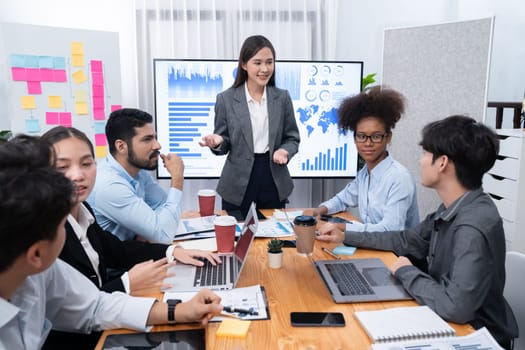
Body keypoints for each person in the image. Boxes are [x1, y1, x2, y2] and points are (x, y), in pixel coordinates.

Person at [0, 135, 223, 350]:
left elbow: (95, 306)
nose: (77, 176)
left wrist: (181, 310)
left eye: (87, 163)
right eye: (62, 225)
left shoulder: (38, 268)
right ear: (36, 254)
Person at [317, 115, 518, 348]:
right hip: (448, 323)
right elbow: (406, 239)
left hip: (474, 336)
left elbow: (457, 307)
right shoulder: (453, 208)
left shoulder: (472, 226)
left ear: (442, 163)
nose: (421, 161)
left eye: (425, 154)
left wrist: (406, 271)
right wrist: (346, 235)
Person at [199, 35, 300, 216]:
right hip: (237, 183)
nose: (265, 69)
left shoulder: (282, 98)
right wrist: (218, 141)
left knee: (274, 241)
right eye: (258, 63)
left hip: (273, 179)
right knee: (236, 240)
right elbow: (224, 142)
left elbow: (292, 138)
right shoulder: (226, 99)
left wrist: (285, 151)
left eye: (269, 62)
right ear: (244, 65)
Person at [306, 86, 419, 232]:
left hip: (396, 253)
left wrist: (339, 227)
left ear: (388, 138)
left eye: (376, 136)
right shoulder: (365, 174)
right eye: (361, 136)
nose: (368, 143)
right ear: (355, 138)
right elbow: (342, 199)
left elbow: (390, 229)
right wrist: (320, 210)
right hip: (374, 247)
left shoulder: (399, 178)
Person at [88, 108, 184, 244]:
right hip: (120, 264)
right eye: (147, 139)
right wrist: (177, 177)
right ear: (121, 147)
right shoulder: (109, 186)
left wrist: (151, 229)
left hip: (136, 252)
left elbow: (163, 206)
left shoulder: (137, 170)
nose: (157, 145)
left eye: (155, 138)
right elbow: (163, 236)